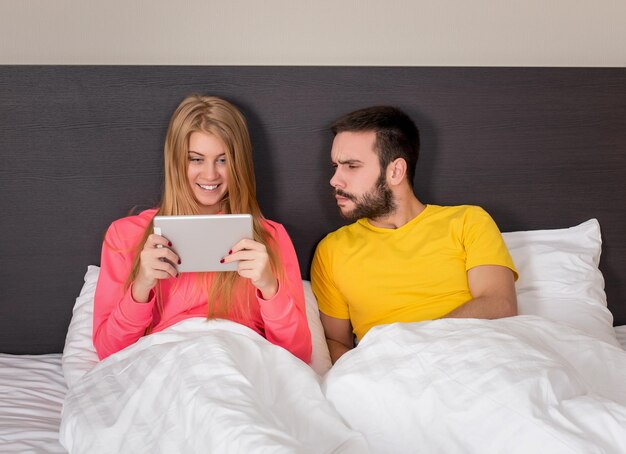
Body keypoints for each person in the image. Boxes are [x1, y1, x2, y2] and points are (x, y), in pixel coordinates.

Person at [93, 95, 312, 363]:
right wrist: (142, 286)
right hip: (167, 366)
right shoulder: (125, 235)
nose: (210, 175)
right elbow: (108, 352)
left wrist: (269, 287)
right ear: (175, 163)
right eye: (196, 159)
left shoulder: (270, 237)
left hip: (240, 364)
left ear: (239, 163)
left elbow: (298, 355)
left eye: (223, 160)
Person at [311, 106, 518, 364]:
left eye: (351, 166)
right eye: (335, 166)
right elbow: (336, 342)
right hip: (391, 373)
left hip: (477, 356)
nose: (334, 180)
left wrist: (418, 344)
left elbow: (499, 304)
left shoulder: (467, 221)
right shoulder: (332, 250)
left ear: (396, 171)